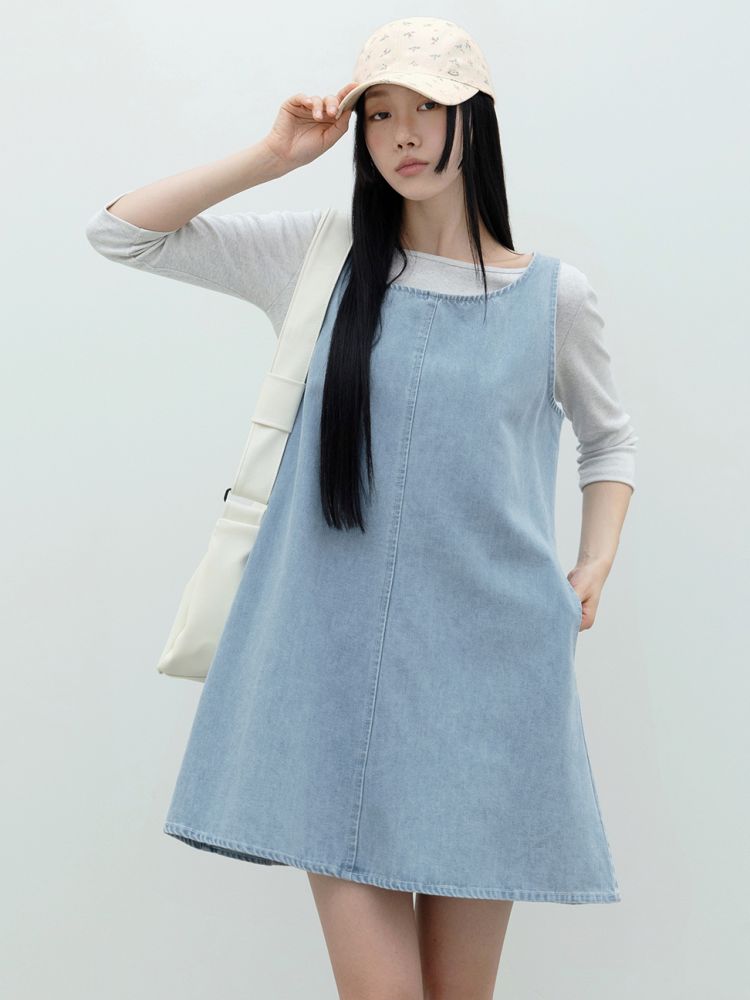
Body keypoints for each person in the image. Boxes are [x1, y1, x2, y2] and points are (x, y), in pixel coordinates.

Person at [85, 16, 638, 999]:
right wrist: (273, 155)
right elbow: (122, 232)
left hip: (491, 682)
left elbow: (610, 442)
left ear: (476, 120)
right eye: (380, 113)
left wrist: (595, 561)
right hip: (333, 678)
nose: (404, 133)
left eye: (428, 107)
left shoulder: (555, 298)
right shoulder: (319, 260)